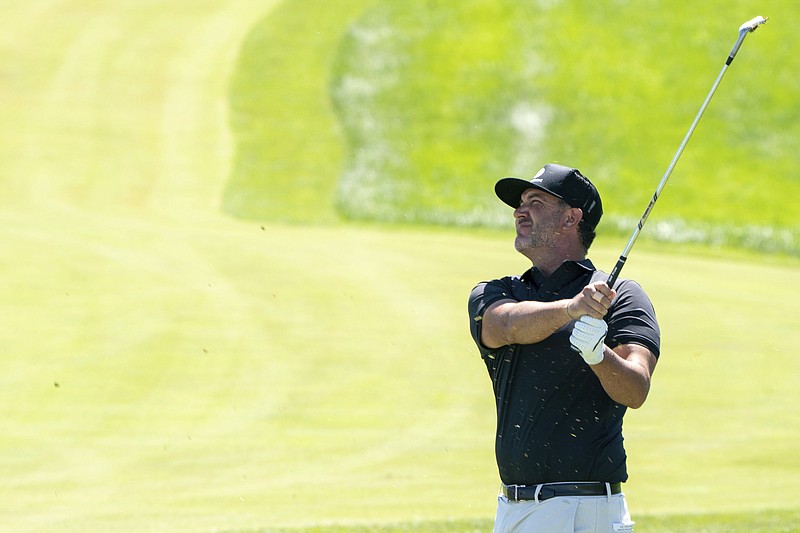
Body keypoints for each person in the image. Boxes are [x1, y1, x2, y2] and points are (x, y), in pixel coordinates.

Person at [468, 163, 661, 532]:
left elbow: (635, 389)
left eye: (536, 201)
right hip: (519, 510)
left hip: (595, 512)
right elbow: (503, 325)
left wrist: (598, 355)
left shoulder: (622, 297)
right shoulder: (498, 292)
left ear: (571, 218)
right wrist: (572, 308)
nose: (519, 211)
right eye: (520, 203)